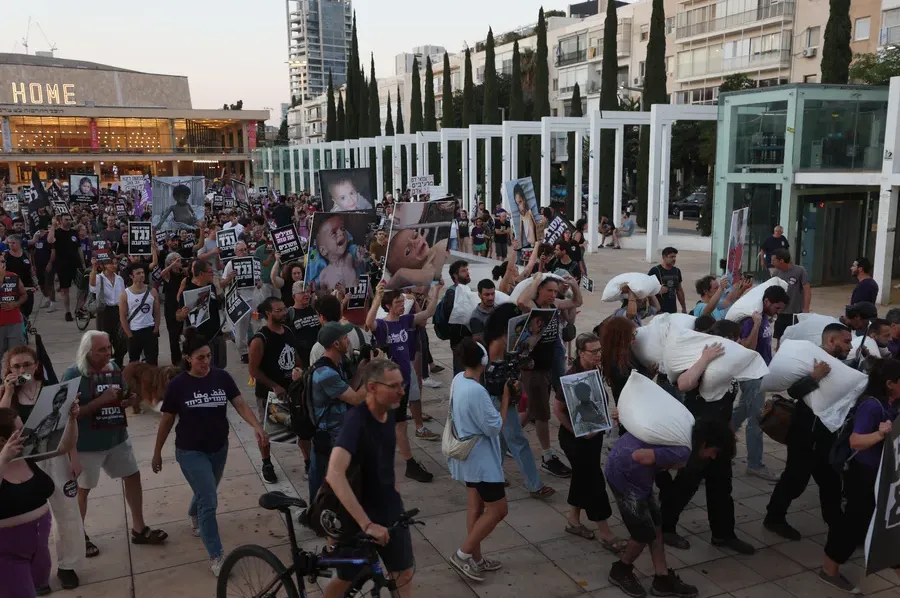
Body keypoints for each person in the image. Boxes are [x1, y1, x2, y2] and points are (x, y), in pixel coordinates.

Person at [152, 328, 270, 577]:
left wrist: (256, 426)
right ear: (188, 359)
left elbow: (239, 404)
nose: (206, 362)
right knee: (210, 500)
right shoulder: (177, 385)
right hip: (190, 451)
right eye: (200, 358)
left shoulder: (222, 378)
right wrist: (157, 452)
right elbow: (166, 421)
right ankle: (217, 556)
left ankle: (193, 512)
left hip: (219, 448)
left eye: (208, 356)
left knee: (207, 491)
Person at [62, 331, 168, 559]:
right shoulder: (73, 375)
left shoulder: (113, 368)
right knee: (83, 489)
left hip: (117, 437)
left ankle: (139, 529)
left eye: (109, 348)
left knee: (132, 476)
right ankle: (79, 535)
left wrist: (128, 401)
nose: (108, 353)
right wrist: (102, 400)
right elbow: (69, 415)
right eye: (102, 350)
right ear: (87, 352)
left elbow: (120, 397)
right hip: (87, 445)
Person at [605, 418, 734, 598]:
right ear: (704, 443)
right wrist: (671, 464)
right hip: (625, 475)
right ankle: (621, 570)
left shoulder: (687, 433)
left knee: (657, 524)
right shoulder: (683, 451)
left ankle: (662, 578)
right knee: (643, 532)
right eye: (714, 452)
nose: (713, 457)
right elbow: (640, 456)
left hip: (636, 474)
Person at [321, 360, 415, 598]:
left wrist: (396, 496)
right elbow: (334, 473)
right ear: (372, 388)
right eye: (394, 386)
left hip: (389, 510)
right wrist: (367, 524)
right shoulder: (356, 421)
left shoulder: (388, 413)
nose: (401, 392)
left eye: (401, 385)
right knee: (347, 579)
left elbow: (385, 460)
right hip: (356, 518)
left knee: (403, 574)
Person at [658, 331, 756, 554]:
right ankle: (665, 528)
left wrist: (731, 433)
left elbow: (727, 405)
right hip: (700, 436)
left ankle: (723, 535)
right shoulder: (700, 362)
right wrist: (705, 358)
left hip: (720, 436)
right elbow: (683, 384)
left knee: (722, 486)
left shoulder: (727, 368)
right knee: (686, 484)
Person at [0, 347, 84, 590]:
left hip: (55, 456)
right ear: (9, 369)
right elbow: (1, 420)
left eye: (26, 364)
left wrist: (73, 457)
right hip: (21, 463)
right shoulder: (8, 395)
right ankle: (36, 570)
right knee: (35, 519)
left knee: (67, 512)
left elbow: (68, 424)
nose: (21, 370)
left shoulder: (52, 390)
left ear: (37, 366)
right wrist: (8, 390)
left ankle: (68, 565)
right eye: (15, 366)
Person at [816, 359, 900, 593]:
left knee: (886, 522)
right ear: (891, 384)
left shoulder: (895, 402)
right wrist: (880, 434)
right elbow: (856, 441)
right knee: (854, 522)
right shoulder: (871, 406)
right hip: (863, 474)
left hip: (886, 473)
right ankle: (829, 570)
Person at [764, 323, 853, 542]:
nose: (850, 346)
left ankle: (838, 526)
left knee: (831, 483)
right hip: (805, 434)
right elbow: (793, 391)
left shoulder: (840, 364)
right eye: (846, 342)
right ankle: (774, 518)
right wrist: (815, 377)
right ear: (831, 341)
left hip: (827, 436)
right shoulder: (812, 362)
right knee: (795, 480)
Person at [554, 333, 626, 551]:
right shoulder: (572, 376)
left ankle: (573, 521)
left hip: (593, 437)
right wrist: (577, 431)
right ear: (580, 352)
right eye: (593, 352)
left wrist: (607, 415)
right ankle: (605, 532)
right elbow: (558, 410)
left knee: (581, 477)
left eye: (599, 350)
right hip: (576, 441)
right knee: (594, 482)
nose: (598, 355)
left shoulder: (594, 369)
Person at [447, 338, 511, 581]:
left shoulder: (458, 380)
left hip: (466, 457)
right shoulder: (477, 391)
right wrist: (505, 400)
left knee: (476, 506)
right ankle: (462, 555)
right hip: (482, 461)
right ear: (484, 361)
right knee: (499, 510)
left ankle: (477, 559)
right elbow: (494, 427)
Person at [367, 282, 441, 482]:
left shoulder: (407, 320)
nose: (403, 305)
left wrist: (436, 292)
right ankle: (388, 462)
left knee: (398, 424)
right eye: (398, 302)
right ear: (389, 306)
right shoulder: (383, 326)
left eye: (402, 301)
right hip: (389, 387)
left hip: (403, 384)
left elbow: (428, 314)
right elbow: (369, 322)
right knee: (390, 424)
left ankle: (405, 462)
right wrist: (377, 297)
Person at [482, 303, 555, 499]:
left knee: (502, 440)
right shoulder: (497, 344)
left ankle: (492, 477)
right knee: (518, 440)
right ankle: (534, 485)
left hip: (506, 395)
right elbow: (496, 374)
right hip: (501, 397)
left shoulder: (507, 341)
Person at [516, 274, 583, 478]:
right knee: (542, 414)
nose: (553, 295)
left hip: (549, 365)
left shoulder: (553, 307)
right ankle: (547, 456)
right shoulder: (532, 307)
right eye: (549, 291)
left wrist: (573, 284)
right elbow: (521, 301)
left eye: (555, 291)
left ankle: (504, 440)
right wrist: (536, 280)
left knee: (531, 410)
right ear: (539, 291)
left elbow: (576, 301)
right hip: (534, 369)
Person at [732, 286, 788, 483]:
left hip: (760, 373)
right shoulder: (752, 320)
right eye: (777, 307)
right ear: (766, 302)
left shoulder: (764, 317)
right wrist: (756, 325)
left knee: (741, 410)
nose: (778, 312)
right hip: (751, 376)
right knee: (756, 421)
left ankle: (722, 442)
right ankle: (755, 464)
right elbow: (748, 347)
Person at [307, 322, 367, 500]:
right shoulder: (326, 373)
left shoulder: (335, 364)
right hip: (329, 436)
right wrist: (373, 376)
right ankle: (316, 515)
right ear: (336, 344)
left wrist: (362, 369)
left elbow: (348, 390)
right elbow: (355, 399)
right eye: (344, 337)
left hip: (338, 431)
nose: (348, 340)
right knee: (327, 480)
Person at [249, 298, 302, 484]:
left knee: (301, 427)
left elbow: (294, 354)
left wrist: (300, 371)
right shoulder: (260, 339)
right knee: (267, 432)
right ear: (269, 314)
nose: (283, 313)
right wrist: (274, 386)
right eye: (278, 311)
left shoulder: (287, 331)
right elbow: (253, 370)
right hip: (269, 395)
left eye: (284, 309)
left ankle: (309, 461)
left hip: (291, 390)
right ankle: (267, 464)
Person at [177, 260, 226, 368]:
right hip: (200, 339)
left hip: (216, 334)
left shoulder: (211, 286)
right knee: (207, 368)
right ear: (201, 274)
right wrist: (183, 314)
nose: (213, 273)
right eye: (210, 272)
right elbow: (178, 316)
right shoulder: (187, 291)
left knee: (220, 366)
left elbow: (217, 306)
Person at [221, 241, 260, 363]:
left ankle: (256, 349)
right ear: (235, 252)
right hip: (239, 301)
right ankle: (244, 353)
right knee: (240, 329)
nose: (244, 252)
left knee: (256, 325)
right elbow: (222, 283)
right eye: (241, 250)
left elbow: (259, 281)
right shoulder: (230, 264)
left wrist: (259, 283)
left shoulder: (253, 262)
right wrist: (229, 277)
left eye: (245, 249)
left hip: (252, 299)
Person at [307, 214, 366, 290]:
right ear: (323, 250)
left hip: (355, 296)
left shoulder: (349, 256)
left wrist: (360, 259)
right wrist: (314, 287)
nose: (341, 233)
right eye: (334, 233)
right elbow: (323, 293)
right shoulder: (324, 274)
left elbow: (358, 268)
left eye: (342, 229)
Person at [89, 256, 127, 366]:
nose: (114, 266)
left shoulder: (120, 279)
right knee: (105, 340)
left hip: (118, 310)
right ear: (105, 265)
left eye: (116, 263)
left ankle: (118, 363)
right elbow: (92, 285)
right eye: (112, 263)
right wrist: (94, 268)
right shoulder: (99, 278)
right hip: (104, 312)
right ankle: (106, 365)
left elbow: (123, 295)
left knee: (121, 340)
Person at [119, 263, 160, 365]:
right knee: (134, 363)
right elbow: (123, 316)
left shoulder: (152, 291)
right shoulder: (125, 294)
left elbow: (157, 312)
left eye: (142, 272)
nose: (142, 275)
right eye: (138, 273)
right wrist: (129, 335)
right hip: (134, 331)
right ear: (131, 276)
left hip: (150, 330)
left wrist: (155, 329)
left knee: (152, 361)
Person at [48, 215, 84, 322]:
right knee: (65, 290)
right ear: (60, 221)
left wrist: (83, 264)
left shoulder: (73, 232)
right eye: (66, 219)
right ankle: (67, 312)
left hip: (76, 265)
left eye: (69, 219)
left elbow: (79, 249)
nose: (68, 221)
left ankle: (79, 309)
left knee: (82, 289)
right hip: (63, 266)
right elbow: (50, 240)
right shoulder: (57, 232)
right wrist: (53, 226)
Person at [770, 249, 810, 342]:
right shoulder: (776, 273)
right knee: (779, 340)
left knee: (794, 339)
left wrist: (806, 308)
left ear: (781, 261)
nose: (771, 262)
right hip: (780, 313)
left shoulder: (800, 271)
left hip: (794, 313)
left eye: (773, 260)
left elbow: (807, 290)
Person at [442, 260, 473, 374]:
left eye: (467, 270)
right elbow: (452, 316)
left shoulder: (465, 290)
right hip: (459, 340)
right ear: (455, 275)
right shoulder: (452, 293)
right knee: (461, 372)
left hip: (467, 338)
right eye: (463, 271)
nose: (467, 273)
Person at [0, 253, 27, 358]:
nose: (2, 264)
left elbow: (24, 295)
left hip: (14, 322)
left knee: (16, 355)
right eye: (0, 261)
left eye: (3, 261)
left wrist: (15, 304)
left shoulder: (13, 277)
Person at [648, 247, 686, 315]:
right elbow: (646, 289)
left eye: (675, 257)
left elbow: (679, 290)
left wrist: (684, 307)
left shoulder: (677, 271)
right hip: (659, 310)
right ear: (664, 257)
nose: (674, 259)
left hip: (673, 310)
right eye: (671, 257)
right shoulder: (655, 270)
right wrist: (658, 291)